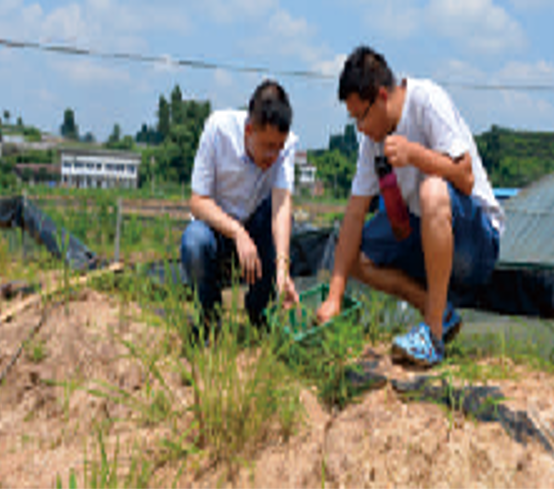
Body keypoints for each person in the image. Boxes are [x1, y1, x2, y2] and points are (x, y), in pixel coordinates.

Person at [317, 46, 504, 367]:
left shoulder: (427, 101)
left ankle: (431, 337)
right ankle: (440, 312)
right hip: (422, 232)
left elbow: (465, 177)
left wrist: (415, 154)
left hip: (474, 242)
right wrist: (334, 296)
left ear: (381, 97)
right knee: (351, 256)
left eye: (361, 116)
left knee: (432, 189)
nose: (359, 127)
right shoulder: (371, 141)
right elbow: (354, 212)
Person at [180, 79, 300, 333]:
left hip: (255, 228)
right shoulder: (218, 130)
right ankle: (209, 318)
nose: (273, 156)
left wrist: (282, 267)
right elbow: (197, 201)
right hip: (217, 230)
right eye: (268, 147)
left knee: (279, 215)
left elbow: (281, 204)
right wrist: (237, 232)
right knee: (194, 242)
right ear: (249, 131)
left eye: (278, 148)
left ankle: (260, 313)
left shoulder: (286, 146)